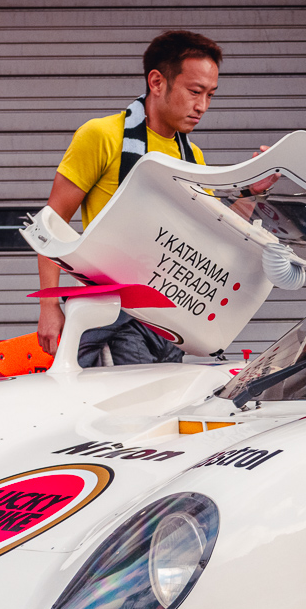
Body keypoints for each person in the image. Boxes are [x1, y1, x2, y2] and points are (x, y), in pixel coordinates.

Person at [35, 30, 224, 366]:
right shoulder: (102, 136)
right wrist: (49, 307)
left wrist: (254, 192)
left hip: (168, 322)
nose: (202, 106)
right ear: (157, 82)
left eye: (210, 94)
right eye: (195, 92)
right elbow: (52, 222)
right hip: (112, 316)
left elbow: (210, 238)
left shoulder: (193, 157)